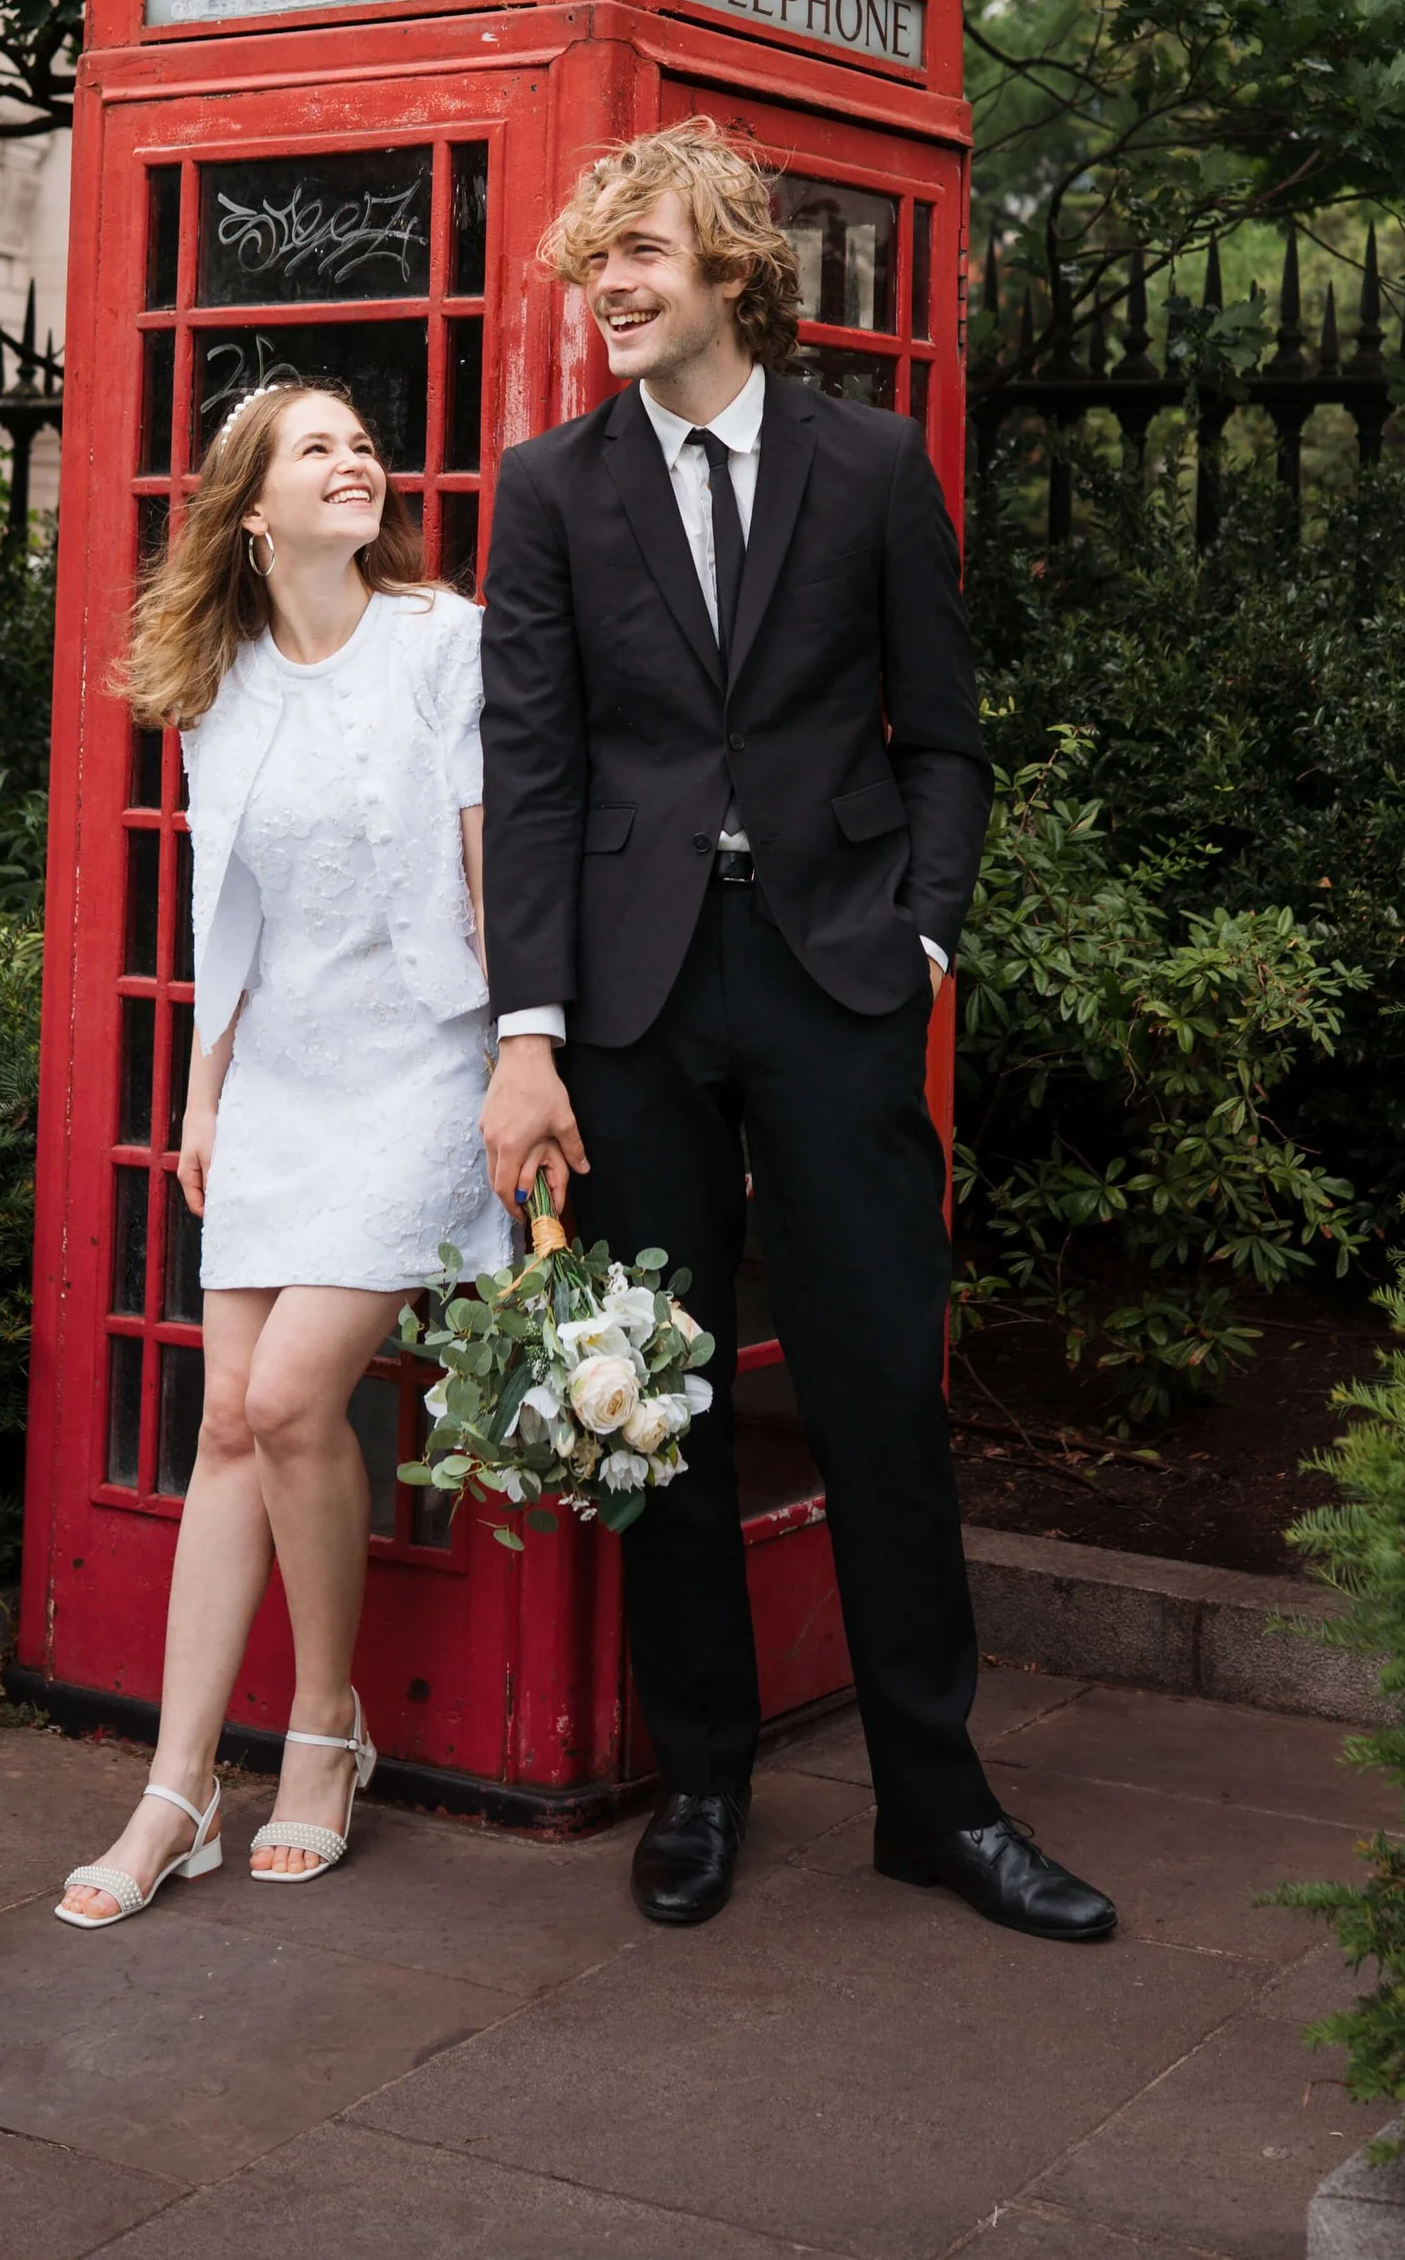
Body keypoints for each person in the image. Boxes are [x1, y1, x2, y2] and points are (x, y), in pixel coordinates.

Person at [478, 119, 1115, 1943]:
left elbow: (951, 738)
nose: (610, 284)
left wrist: (920, 936)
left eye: (645, 253)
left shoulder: (869, 464)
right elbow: (530, 767)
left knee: (875, 1395)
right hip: (630, 995)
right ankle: (704, 1780)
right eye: (594, 257)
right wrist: (530, 1030)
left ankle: (937, 1797)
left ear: (735, 273)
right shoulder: (552, 485)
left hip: (835, 973)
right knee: (657, 1406)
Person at [57, 376, 508, 1930]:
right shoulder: (226, 681)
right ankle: (176, 1788)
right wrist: (200, 1093)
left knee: (288, 1395)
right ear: (255, 508)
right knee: (223, 1429)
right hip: (283, 1077)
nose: (356, 458)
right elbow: (220, 917)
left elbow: (482, 857)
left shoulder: (443, 638)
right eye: (318, 446)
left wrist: (529, 1052)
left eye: (363, 442)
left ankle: (324, 1727)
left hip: (422, 1062)